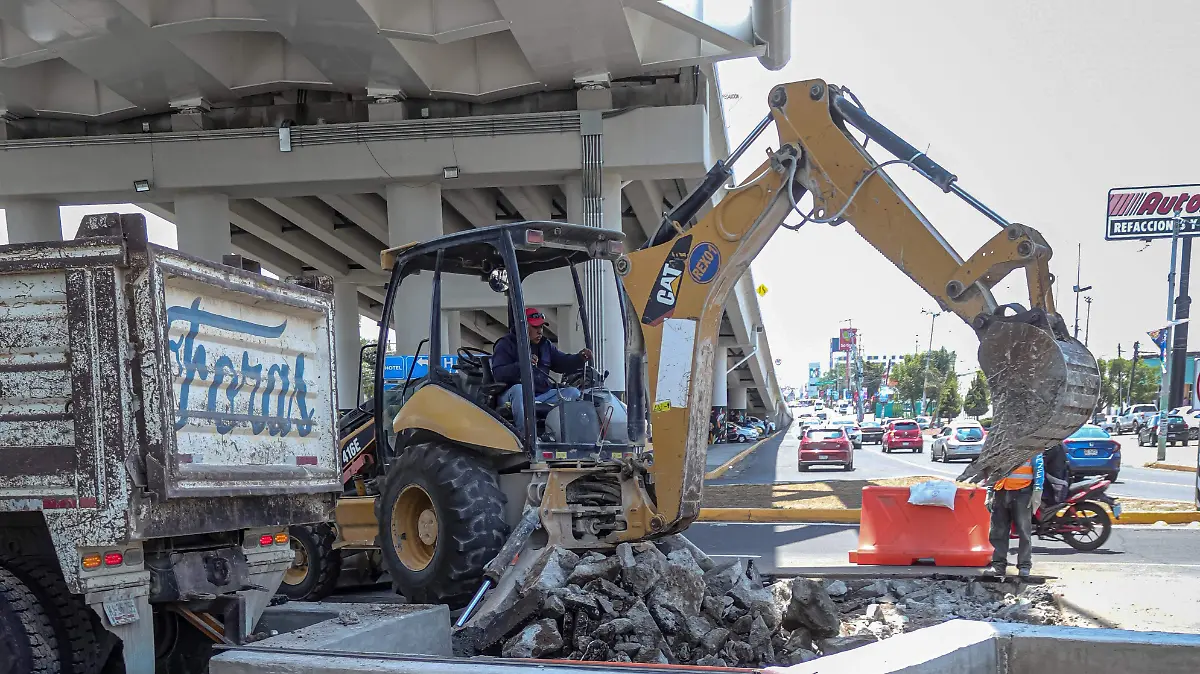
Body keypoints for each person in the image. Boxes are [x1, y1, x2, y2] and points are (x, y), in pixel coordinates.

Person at [491, 307, 593, 429]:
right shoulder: (505, 344)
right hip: (511, 395)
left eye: (541, 327)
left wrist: (579, 358)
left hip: (542, 394)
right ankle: (524, 435)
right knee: (519, 389)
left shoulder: (545, 345)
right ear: (522, 327)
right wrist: (522, 365)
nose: (540, 331)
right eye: (535, 327)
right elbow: (498, 374)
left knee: (573, 393)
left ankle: (564, 435)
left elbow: (562, 362)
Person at [988, 452, 1045, 578]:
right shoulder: (1001, 444)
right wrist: (989, 491)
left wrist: (1037, 489)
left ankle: (1024, 565)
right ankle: (998, 565)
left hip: (1022, 492)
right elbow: (993, 468)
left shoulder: (1031, 444)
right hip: (1001, 492)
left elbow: (1038, 466)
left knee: (1024, 531)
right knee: (998, 531)